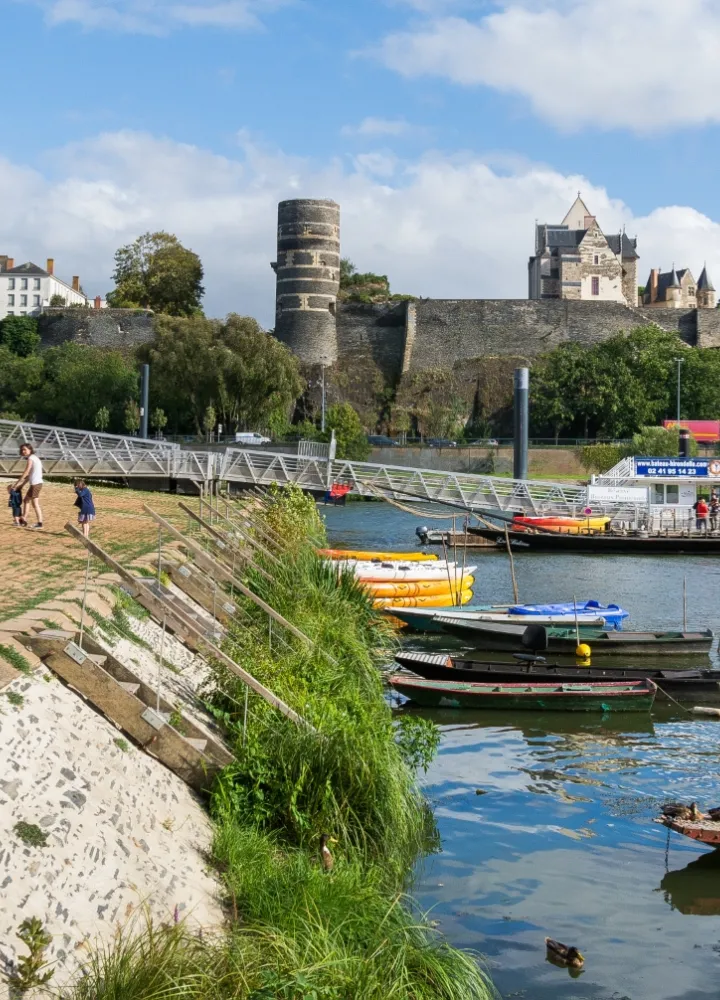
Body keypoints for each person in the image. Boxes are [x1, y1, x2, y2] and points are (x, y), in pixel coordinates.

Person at [13, 444, 43, 529]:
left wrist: (16, 484)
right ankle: (24, 518)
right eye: (22, 450)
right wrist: (22, 485)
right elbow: (29, 475)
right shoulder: (34, 458)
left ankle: (40, 523)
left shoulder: (31, 458)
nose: (23, 451)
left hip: (36, 484)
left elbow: (26, 472)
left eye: (25, 449)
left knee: (35, 504)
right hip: (35, 484)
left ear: (30, 449)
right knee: (26, 500)